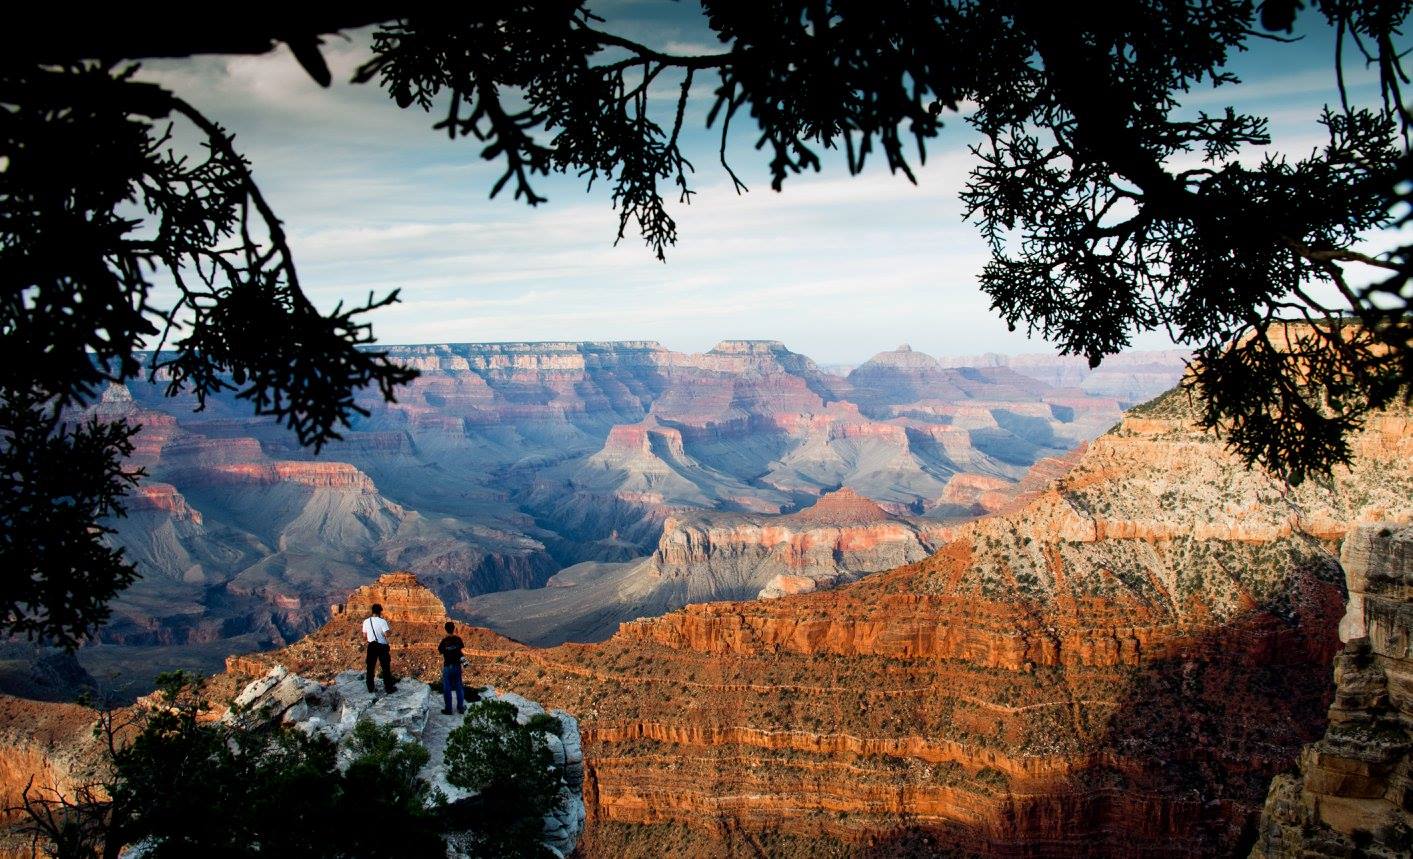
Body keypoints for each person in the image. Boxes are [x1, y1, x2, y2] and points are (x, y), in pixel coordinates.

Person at [362, 603, 397, 694]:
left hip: (371, 646)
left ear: (372, 611)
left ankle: (370, 688)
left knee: (370, 667)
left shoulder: (366, 621)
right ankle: (389, 688)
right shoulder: (382, 621)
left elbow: (364, 635)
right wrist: (389, 631)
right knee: (385, 668)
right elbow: (387, 634)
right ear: (380, 611)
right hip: (382, 646)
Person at [437, 621, 466, 716]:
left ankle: (448, 709)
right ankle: (460, 708)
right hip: (457, 666)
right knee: (459, 687)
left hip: (447, 667)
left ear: (445, 629)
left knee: (447, 688)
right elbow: (460, 649)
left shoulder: (444, 641)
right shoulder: (458, 639)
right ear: (454, 629)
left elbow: (440, 651)